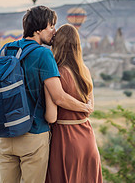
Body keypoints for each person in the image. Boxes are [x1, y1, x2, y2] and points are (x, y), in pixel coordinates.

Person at [0, 6, 92, 183]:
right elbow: (59, 97)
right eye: (51, 26)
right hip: (33, 135)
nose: (54, 31)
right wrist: (85, 107)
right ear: (39, 29)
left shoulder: (5, 50)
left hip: (6, 135)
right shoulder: (43, 54)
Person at [45, 24, 103, 183]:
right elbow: (90, 106)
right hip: (88, 137)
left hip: (65, 139)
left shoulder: (55, 73)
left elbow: (51, 116)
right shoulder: (85, 70)